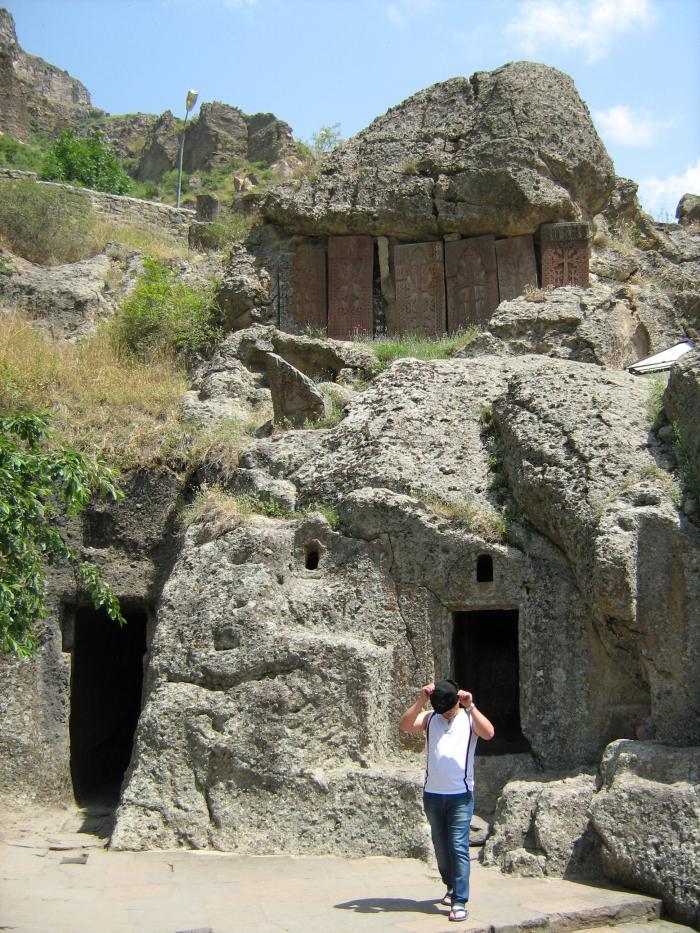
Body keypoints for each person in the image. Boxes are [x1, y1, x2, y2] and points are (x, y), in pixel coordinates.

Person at [399, 679, 495, 923]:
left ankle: (460, 900)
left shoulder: (469, 718)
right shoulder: (431, 718)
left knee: (458, 846)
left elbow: (489, 733)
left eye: (449, 709)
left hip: (460, 796)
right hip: (432, 794)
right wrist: (421, 700)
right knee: (441, 847)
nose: (446, 713)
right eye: (441, 709)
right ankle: (450, 885)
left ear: (457, 702)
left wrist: (471, 706)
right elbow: (405, 725)